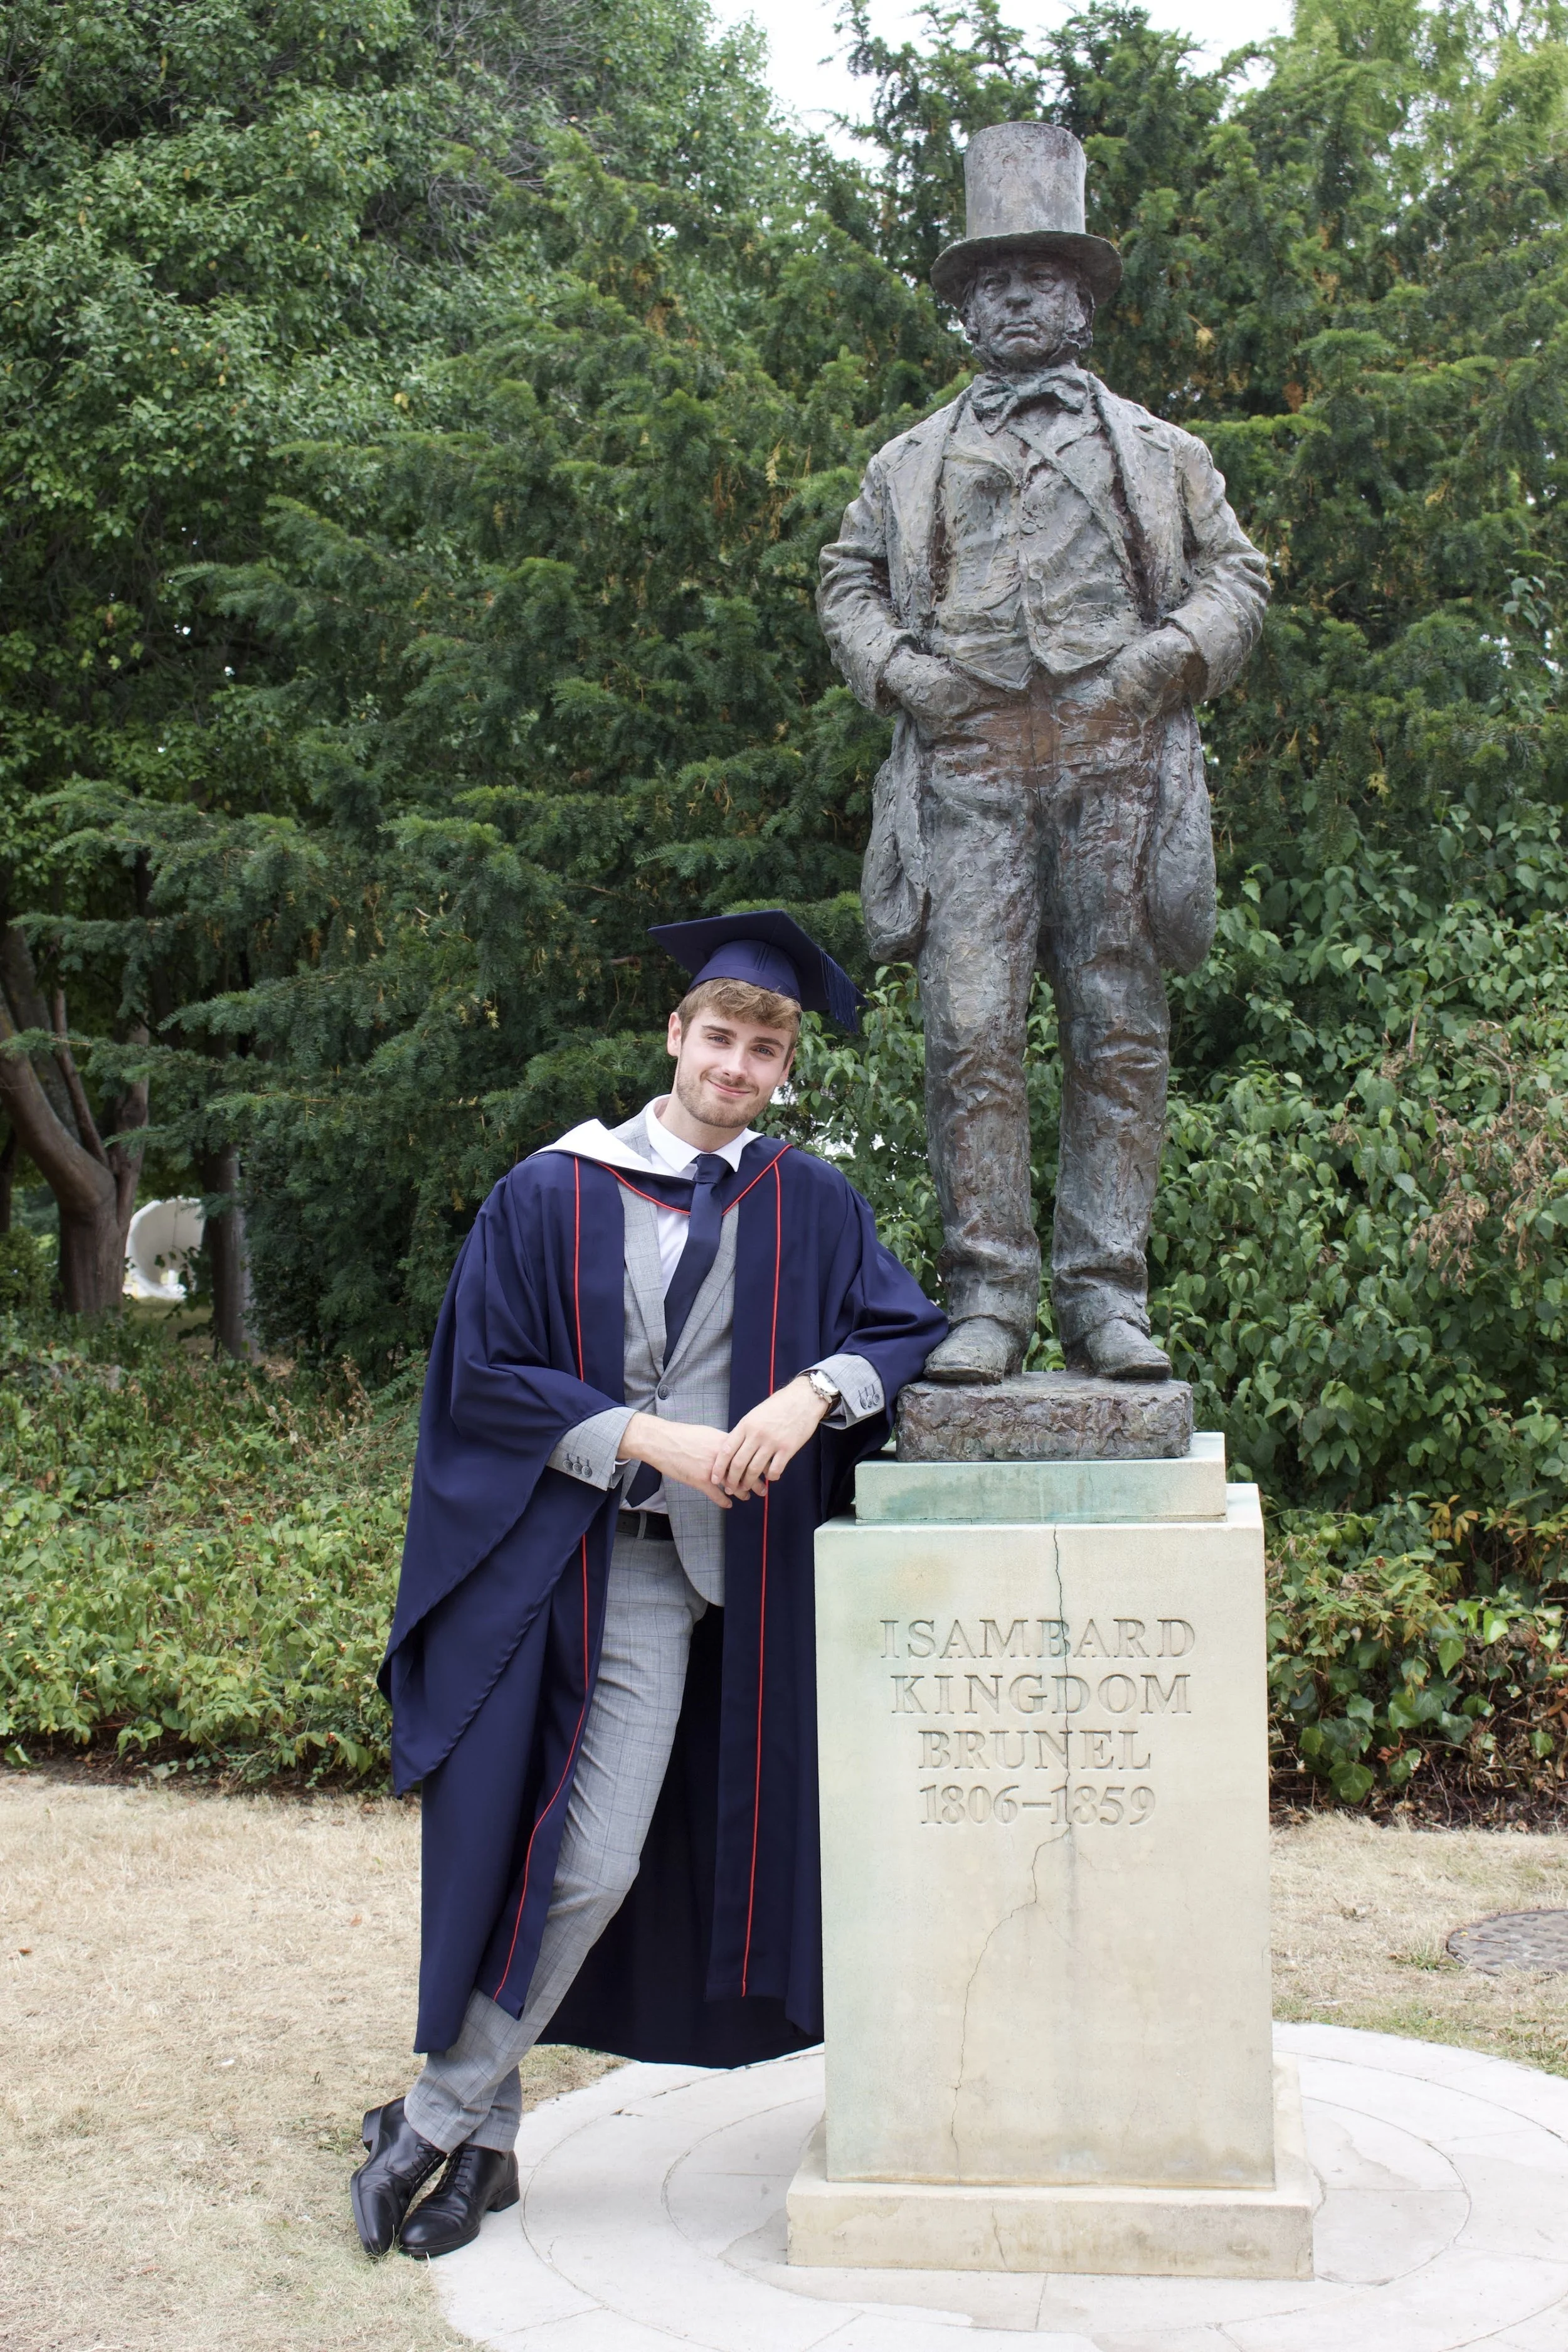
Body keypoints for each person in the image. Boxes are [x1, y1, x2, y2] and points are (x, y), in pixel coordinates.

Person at [352, 911, 945, 2260]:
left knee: (604, 1860)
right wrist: (641, 1433)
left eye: (764, 1049)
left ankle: (448, 2130)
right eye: (719, 1038)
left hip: (726, 1587)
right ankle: (462, 2126)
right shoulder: (549, 1190)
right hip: (562, 1570)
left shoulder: (809, 1201)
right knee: (563, 1852)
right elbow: (486, 1379)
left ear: (784, 1069)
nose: (737, 1065)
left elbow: (903, 1327)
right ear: (674, 1037)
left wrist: (815, 1392)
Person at [818, 122, 1271, 1387]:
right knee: (968, 1033)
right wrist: (902, 672)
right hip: (964, 772)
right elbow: (845, 581)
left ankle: (1106, 1298)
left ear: (1081, 299)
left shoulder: (1165, 454)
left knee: (1116, 1030)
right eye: (989, 281)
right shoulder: (903, 464)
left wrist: (1164, 657)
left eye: (1039, 276)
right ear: (965, 310)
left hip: (1115, 763)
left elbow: (1236, 577)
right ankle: (986, 1303)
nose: (1014, 296)